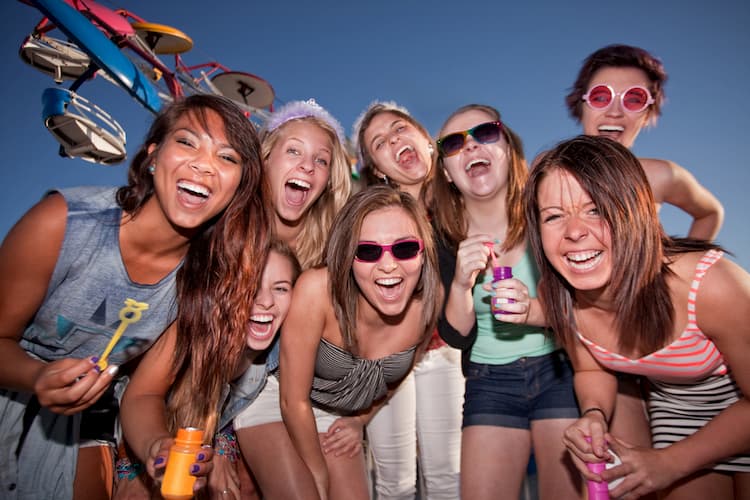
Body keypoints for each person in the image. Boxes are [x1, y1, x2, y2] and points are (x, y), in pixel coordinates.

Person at [0, 93, 270, 500]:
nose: (204, 164)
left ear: (238, 188)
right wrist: (38, 376)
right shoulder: (63, 221)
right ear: (152, 155)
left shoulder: (201, 282)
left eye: (227, 158)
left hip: (83, 419)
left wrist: (157, 448)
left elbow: (144, 394)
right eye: (187, 142)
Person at [524, 134, 750, 499]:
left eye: (595, 208)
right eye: (553, 216)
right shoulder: (560, 295)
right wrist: (594, 413)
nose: (575, 231)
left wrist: (671, 463)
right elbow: (590, 368)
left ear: (633, 209)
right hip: (677, 408)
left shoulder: (712, 284)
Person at [431, 104, 580, 500]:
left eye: (485, 132)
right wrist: (462, 283)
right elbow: (456, 336)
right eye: (452, 143)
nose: (470, 146)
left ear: (509, 150)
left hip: (561, 371)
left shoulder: (546, 216)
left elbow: (584, 305)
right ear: (446, 173)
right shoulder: (441, 238)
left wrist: (533, 308)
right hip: (488, 381)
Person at [218, 98, 353, 499]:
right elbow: (198, 352)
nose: (307, 167)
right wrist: (220, 439)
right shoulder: (225, 233)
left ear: (329, 179)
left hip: (314, 394)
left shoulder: (332, 248)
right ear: (265, 159)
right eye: (293, 151)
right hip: (244, 393)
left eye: (321, 160)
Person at [280, 186, 442, 500]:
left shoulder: (427, 306)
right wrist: (318, 476)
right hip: (283, 401)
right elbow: (291, 401)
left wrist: (360, 420)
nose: (388, 265)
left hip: (338, 417)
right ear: (347, 256)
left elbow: (396, 375)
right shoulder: (317, 290)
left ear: (423, 252)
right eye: (368, 251)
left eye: (405, 248)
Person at [121, 240, 298, 500]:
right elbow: (139, 395)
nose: (265, 301)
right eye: (250, 286)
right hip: (131, 433)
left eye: (280, 288)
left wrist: (221, 446)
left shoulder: (277, 352)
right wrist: (146, 453)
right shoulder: (190, 330)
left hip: (201, 442)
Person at [354, 101, 462, 498]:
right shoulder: (373, 219)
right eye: (379, 142)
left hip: (446, 353)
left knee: (447, 478)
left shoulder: (465, 195)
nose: (393, 139)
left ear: (425, 138)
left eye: (399, 128)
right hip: (387, 354)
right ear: (378, 169)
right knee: (393, 482)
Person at [566, 44, 724, 241]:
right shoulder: (547, 170)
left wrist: (681, 266)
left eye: (633, 100)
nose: (614, 112)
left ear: (648, 114)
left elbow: (710, 214)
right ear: (581, 105)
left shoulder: (660, 175)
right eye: (600, 97)